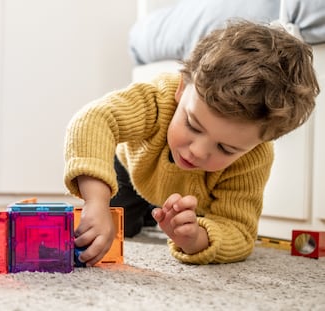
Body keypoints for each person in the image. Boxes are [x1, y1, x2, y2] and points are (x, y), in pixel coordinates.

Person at [63, 20, 319, 266]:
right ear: (182, 89)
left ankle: (170, 218)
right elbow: (93, 119)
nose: (197, 151)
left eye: (225, 148)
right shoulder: (157, 96)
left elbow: (239, 232)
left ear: (259, 143)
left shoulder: (254, 157)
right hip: (133, 171)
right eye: (193, 125)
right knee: (115, 227)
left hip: (192, 199)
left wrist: (196, 238)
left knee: (186, 224)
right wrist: (96, 202)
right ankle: (147, 215)